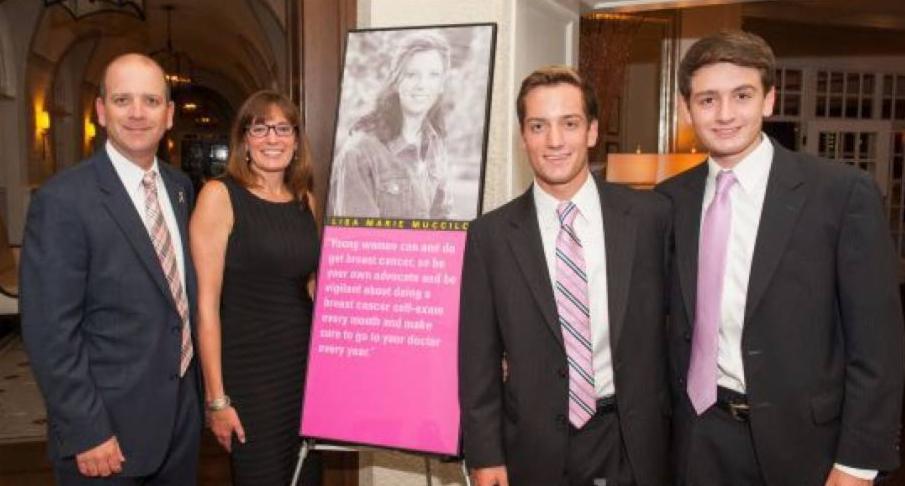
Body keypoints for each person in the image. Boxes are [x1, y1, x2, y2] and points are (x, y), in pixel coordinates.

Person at [655, 30, 904, 486]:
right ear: (688, 109)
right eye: (708, 99)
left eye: (742, 95)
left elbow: (878, 346)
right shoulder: (668, 201)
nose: (725, 114)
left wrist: (857, 463)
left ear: (769, 99)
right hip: (696, 439)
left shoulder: (840, 194)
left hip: (806, 448)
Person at [459, 65, 672, 486]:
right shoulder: (491, 235)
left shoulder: (650, 218)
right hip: (532, 449)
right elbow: (477, 358)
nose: (554, 141)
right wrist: (485, 455)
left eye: (569, 124)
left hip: (630, 441)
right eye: (539, 126)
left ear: (592, 131)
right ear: (524, 136)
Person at [20, 53, 201, 484]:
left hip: (180, 424)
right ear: (102, 111)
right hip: (106, 436)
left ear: (170, 114)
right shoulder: (62, 200)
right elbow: (50, 333)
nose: (138, 113)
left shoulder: (180, 188)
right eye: (123, 100)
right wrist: (87, 430)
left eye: (151, 101)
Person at [190, 90, 321, 486]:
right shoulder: (219, 196)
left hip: (304, 371)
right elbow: (207, 307)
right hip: (251, 374)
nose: (272, 138)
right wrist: (217, 400)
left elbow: (311, 287)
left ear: (296, 141)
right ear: (244, 139)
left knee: (306, 476)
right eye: (260, 128)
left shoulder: (305, 201)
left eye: (283, 128)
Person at [328, 31, 452, 219]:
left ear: (442, 84)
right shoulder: (359, 153)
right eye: (411, 74)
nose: (422, 85)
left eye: (433, 75)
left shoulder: (436, 144)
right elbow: (360, 242)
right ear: (395, 81)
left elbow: (443, 217)